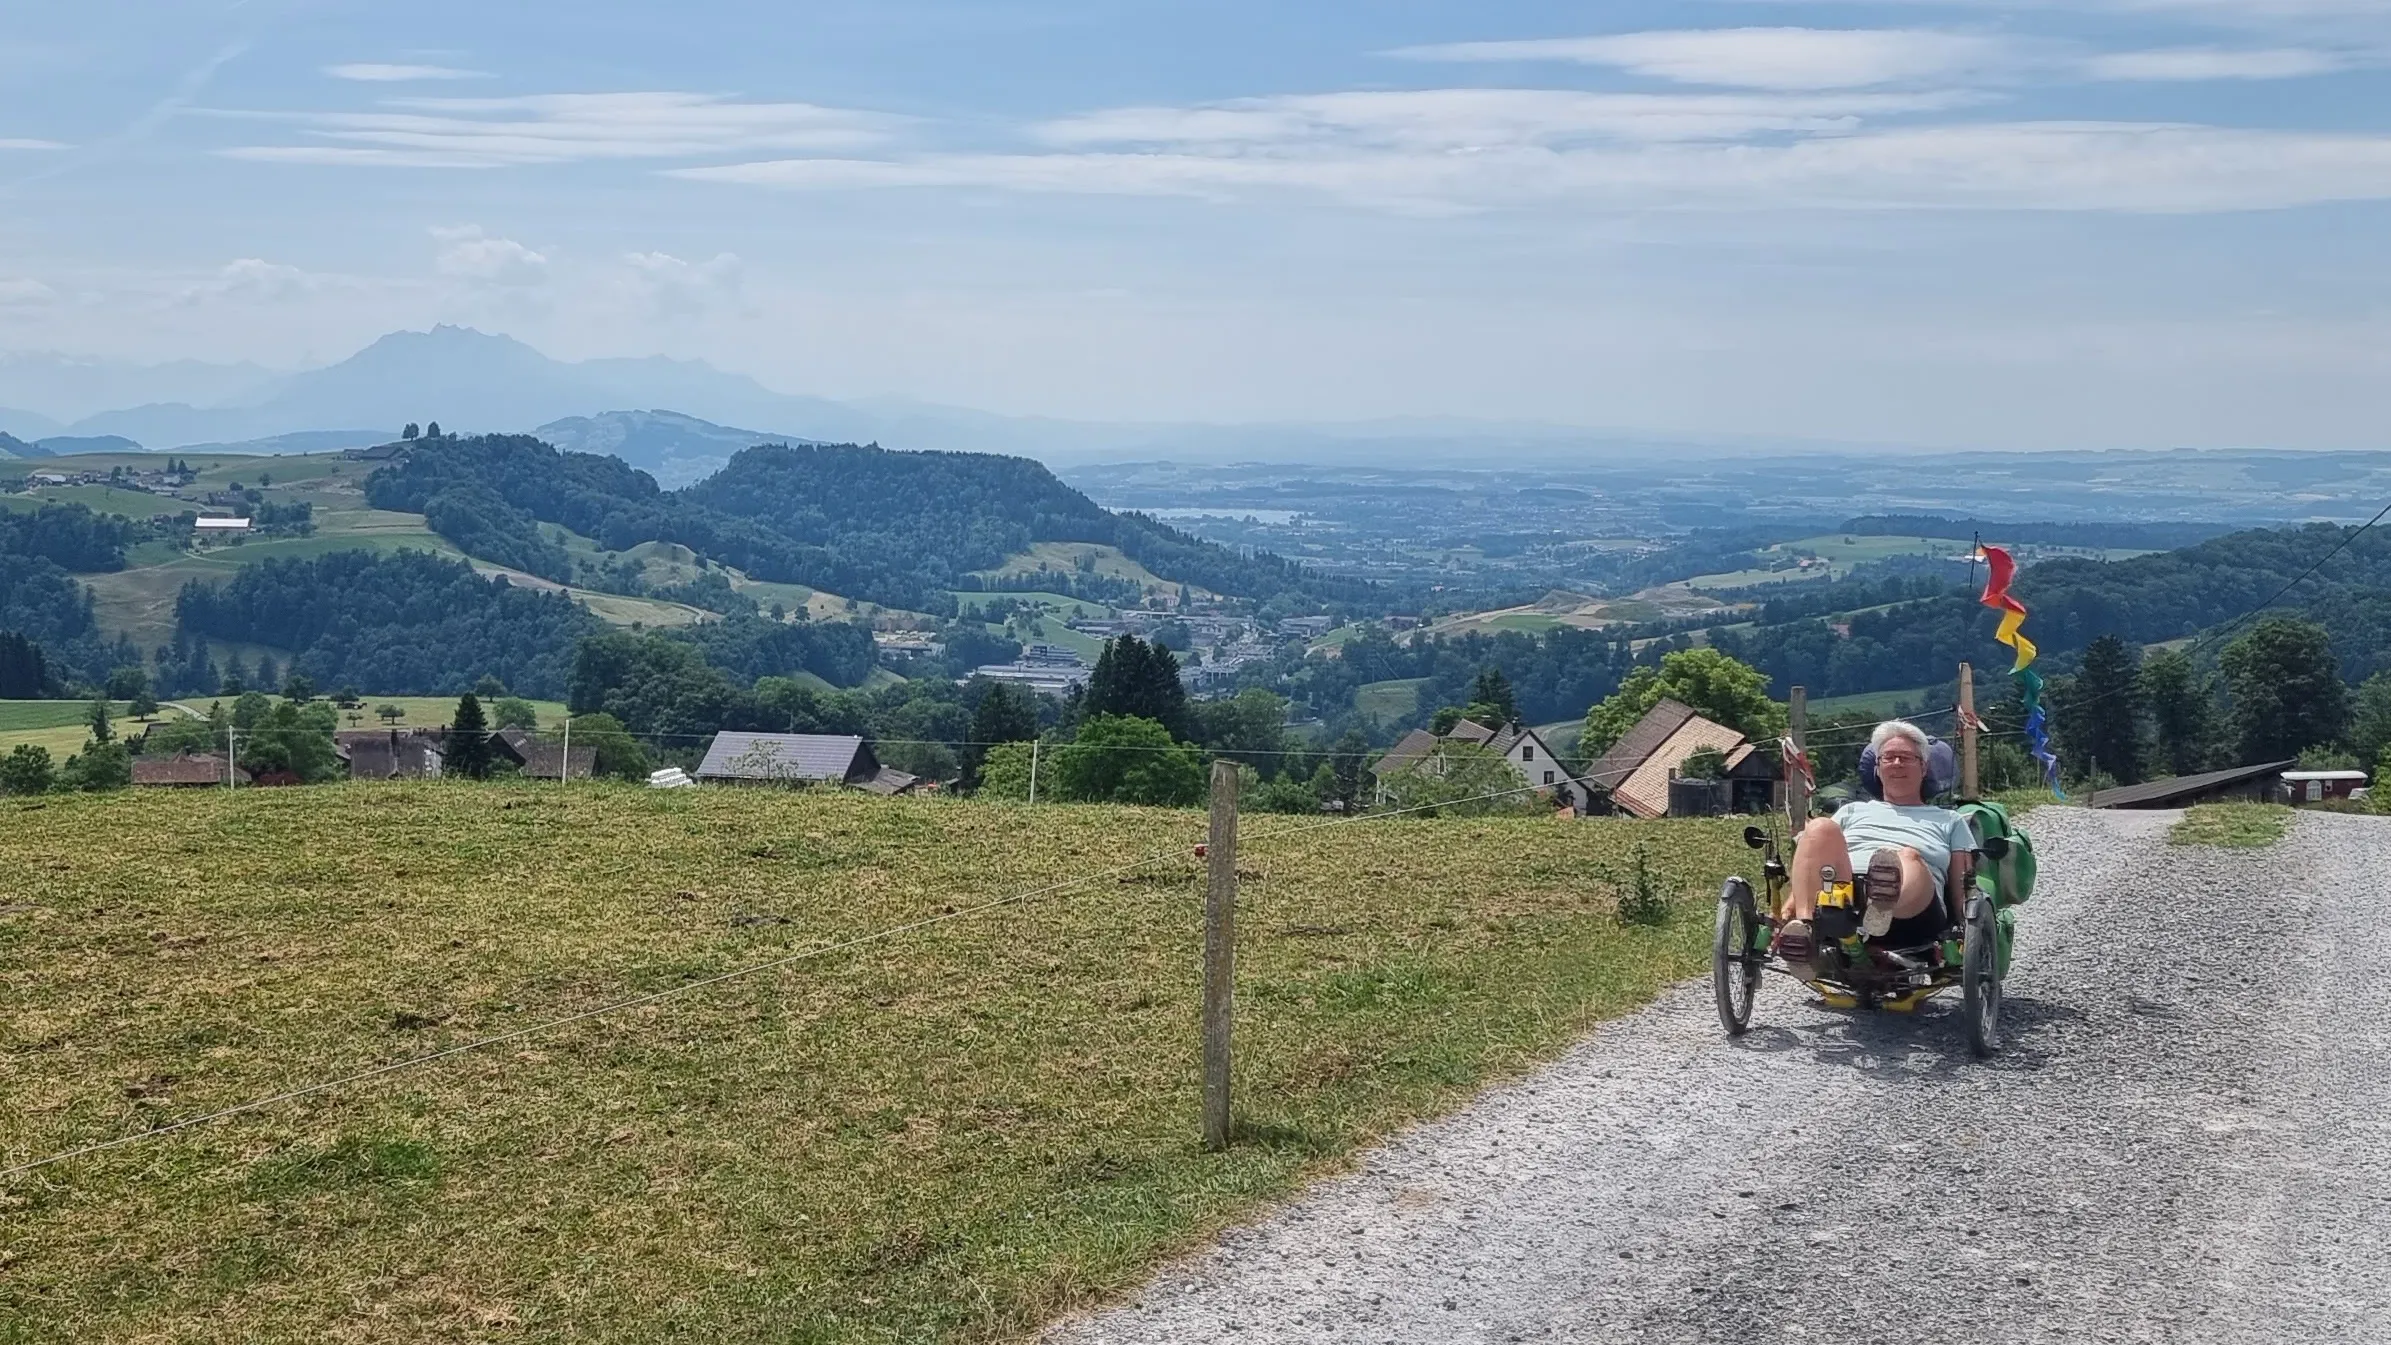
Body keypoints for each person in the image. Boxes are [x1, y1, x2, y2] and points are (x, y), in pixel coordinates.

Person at [1775, 719, 1977, 966]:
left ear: (1924, 768)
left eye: (1906, 757)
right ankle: (1805, 928)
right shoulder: (1853, 811)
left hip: (1914, 910)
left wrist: (1967, 928)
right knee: (1818, 827)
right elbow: (1813, 856)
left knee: (1908, 856)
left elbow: (1962, 882)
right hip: (1845, 894)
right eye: (1888, 757)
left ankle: (1881, 908)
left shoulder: (1950, 820)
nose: (1896, 763)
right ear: (1878, 769)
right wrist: (1788, 910)